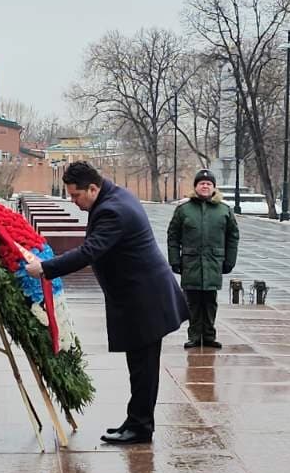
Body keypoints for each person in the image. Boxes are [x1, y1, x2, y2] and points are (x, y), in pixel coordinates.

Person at [27, 161, 188, 445]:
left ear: (93, 187)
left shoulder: (113, 211)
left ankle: (140, 428)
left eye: (76, 196)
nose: (74, 202)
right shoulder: (112, 198)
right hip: (142, 295)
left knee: (144, 368)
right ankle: (136, 420)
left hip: (145, 299)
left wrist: (46, 268)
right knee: (140, 366)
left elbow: (89, 251)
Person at [167, 169, 239, 350]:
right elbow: (173, 236)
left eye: (208, 183)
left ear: (214, 187)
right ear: (196, 187)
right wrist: (174, 260)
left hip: (214, 262)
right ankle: (194, 336)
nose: (205, 186)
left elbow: (233, 236)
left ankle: (208, 335)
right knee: (192, 301)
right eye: (201, 183)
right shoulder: (183, 210)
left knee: (210, 301)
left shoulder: (224, 210)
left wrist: (230, 260)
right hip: (191, 263)